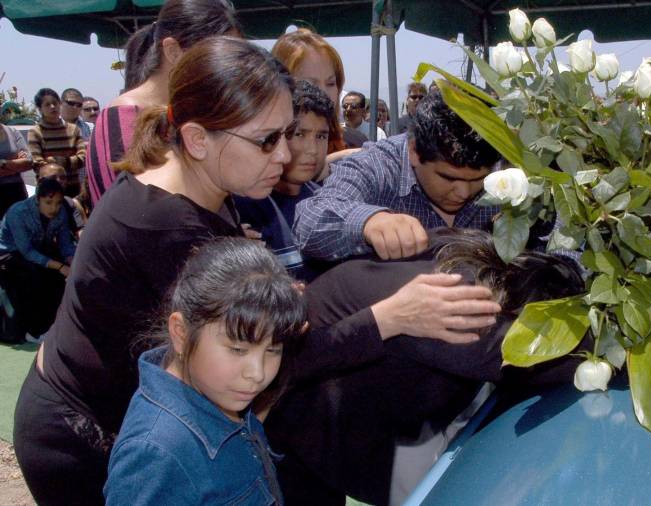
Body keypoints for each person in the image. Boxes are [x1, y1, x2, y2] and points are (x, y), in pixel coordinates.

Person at [13, 37, 499, 505]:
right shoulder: (165, 227)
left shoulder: (203, 189)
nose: (286, 155)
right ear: (197, 139)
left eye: (287, 134)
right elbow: (259, 363)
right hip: (91, 439)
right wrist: (390, 318)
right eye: (268, 141)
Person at [266, 228, 587, 505]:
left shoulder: (456, 253)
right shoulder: (454, 307)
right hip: (294, 434)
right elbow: (547, 357)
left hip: (315, 411)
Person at [104, 237, 304, 505]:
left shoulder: (219, 391)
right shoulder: (156, 454)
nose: (257, 374)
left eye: (273, 350)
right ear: (181, 333)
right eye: (238, 349)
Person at [294, 90, 502, 261]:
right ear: (414, 151)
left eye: (479, 180)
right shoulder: (377, 166)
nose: (463, 192)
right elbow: (310, 221)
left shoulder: (508, 177)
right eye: (448, 178)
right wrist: (369, 222)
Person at [85, 0, 242, 205]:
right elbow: (135, 213)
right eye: (218, 58)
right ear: (173, 51)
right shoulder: (122, 119)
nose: (229, 72)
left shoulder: (191, 115)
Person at [235, 80, 332, 280]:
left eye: (321, 136)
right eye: (299, 134)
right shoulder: (243, 205)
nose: (312, 150)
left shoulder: (326, 201)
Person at [0, 177, 74, 343]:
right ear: (37, 199)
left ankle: (56, 324)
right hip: (8, 253)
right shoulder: (18, 212)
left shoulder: (61, 212)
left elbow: (65, 245)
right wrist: (60, 267)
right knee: (33, 276)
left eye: (58, 203)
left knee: (59, 278)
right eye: (48, 202)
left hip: (37, 248)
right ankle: (34, 331)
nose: (54, 208)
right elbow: (26, 252)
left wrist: (73, 262)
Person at [271, 28, 349, 156]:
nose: (323, 94)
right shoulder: (264, 149)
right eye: (310, 84)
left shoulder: (351, 144)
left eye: (330, 83)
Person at [27, 88, 86, 198]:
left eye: (55, 103)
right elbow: (37, 164)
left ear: (60, 104)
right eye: (47, 104)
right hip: (47, 190)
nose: (52, 107)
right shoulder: (35, 132)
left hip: (72, 188)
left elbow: (83, 159)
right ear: (39, 109)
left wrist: (58, 161)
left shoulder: (74, 130)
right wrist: (67, 163)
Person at [38, 163, 87, 236]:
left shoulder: (69, 203)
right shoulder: (27, 210)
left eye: (62, 178)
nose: (59, 181)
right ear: (40, 182)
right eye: (53, 178)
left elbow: (80, 231)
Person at [0, 123, 32, 218]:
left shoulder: (12, 132)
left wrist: (3, 163)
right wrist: (16, 163)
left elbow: (29, 162)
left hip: (17, 192)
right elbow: (22, 164)